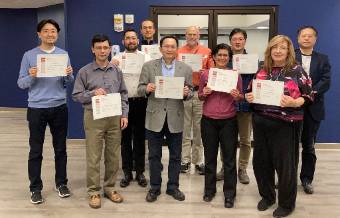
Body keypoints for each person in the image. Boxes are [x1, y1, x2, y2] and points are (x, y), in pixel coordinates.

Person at [245, 35, 313, 217]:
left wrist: (294, 102)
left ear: (288, 50)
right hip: (260, 122)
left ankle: (286, 204)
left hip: (286, 124)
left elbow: (308, 96)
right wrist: (248, 96)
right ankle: (267, 196)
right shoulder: (262, 69)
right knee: (261, 163)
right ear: (270, 50)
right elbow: (250, 91)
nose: (278, 51)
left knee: (286, 167)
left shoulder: (297, 70)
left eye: (282, 48)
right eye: (275, 47)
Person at [17, 19, 73, 204]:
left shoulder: (63, 54)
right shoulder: (29, 55)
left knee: (61, 149)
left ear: (57, 34)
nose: (50, 34)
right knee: (35, 150)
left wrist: (69, 75)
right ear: (39, 34)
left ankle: (61, 183)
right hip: (36, 108)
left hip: (59, 107)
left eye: (53, 31)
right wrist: (32, 76)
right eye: (46, 31)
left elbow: (67, 83)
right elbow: (21, 83)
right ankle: (35, 188)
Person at [72, 34, 128, 209]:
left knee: (112, 155)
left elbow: (124, 93)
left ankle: (110, 188)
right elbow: (76, 96)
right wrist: (92, 93)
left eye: (105, 47)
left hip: (114, 118)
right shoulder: (84, 71)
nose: (102, 51)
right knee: (94, 156)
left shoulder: (117, 71)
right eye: (99, 48)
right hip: (93, 118)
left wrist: (124, 114)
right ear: (93, 49)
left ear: (110, 49)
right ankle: (94, 191)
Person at [137, 35, 193, 203]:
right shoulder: (148, 66)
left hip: (175, 117)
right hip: (155, 117)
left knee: (176, 156)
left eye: (172, 46)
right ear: (160, 49)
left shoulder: (185, 68)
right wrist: (146, 88)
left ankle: (173, 187)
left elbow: (190, 92)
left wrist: (186, 93)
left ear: (177, 49)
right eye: (166, 46)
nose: (169, 49)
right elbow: (140, 89)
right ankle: (154, 187)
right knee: (154, 155)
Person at [198, 43, 242, 208]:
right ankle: (209, 191)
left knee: (229, 160)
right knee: (210, 158)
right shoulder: (206, 75)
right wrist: (204, 93)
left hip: (229, 121)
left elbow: (240, 97)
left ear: (229, 58)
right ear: (214, 57)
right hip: (208, 120)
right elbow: (200, 96)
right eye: (220, 55)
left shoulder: (235, 75)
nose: (223, 58)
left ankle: (229, 194)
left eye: (226, 55)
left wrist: (237, 96)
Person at [112, 29, 149, 188]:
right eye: (128, 38)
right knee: (125, 139)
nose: (131, 41)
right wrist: (113, 67)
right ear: (123, 42)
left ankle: (140, 171)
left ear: (138, 41)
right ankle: (127, 172)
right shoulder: (116, 58)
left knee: (140, 138)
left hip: (142, 101)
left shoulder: (146, 58)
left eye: (133, 38)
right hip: (123, 103)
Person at [296, 26, 331, 195]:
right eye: (304, 35)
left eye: (310, 36)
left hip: (313, 108)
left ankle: (306, 179)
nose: (307, 38)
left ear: (315, 39)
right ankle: (286, 178)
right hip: (292, 106)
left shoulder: (323, 59)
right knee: (289, 146)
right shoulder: (290, 56)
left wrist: (310, 93)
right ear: (298, 38)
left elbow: (326, 81)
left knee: (309, 146)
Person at [216, 28, 254, 184]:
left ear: (245, 41)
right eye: (234, 39)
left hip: (245, 106)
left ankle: (242, 168)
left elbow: (256, 82)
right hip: (227, 106)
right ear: (230, 41)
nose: (237, 42)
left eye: (240, 39)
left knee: (245, 140)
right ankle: (225, 167)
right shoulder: (224, 59)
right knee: (225, 140)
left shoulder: (252, 60)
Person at [177, 26, 213, 175]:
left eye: (195, 34)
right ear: (185, 35)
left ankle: (198, 161)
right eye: (189, 34)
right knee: (184, 128)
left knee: (199, 129)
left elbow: (212, 72)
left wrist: (206, 73)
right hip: (184, 92)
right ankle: (184, 160)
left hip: (199, 93)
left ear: (199, 36)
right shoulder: (179, 52)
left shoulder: (207, 52)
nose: (192, 36)